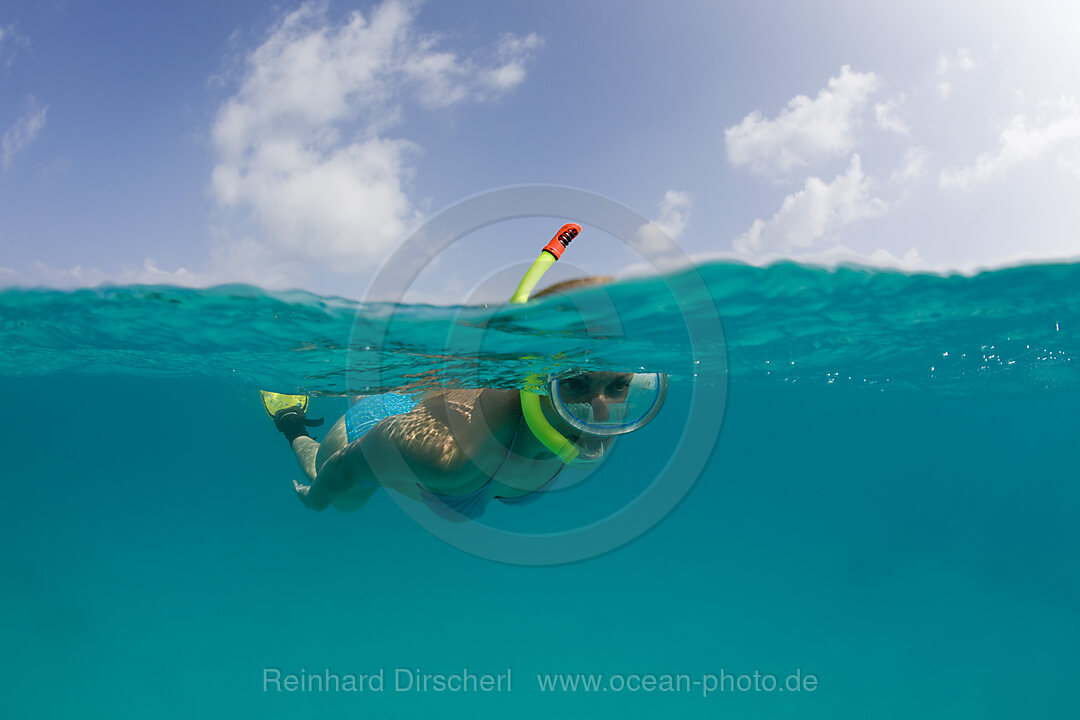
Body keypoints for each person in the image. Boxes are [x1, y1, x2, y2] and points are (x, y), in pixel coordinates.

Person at [265, 226, 668, 521]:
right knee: (340, 493)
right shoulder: (453, 457)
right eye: (575, 384)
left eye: (619, 386)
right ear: (536, 378)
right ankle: (291, 423)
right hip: (385, 416)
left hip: (452, 440)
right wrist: (316, 499)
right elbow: (345, 467)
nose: (600, 417)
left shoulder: (578, 426)